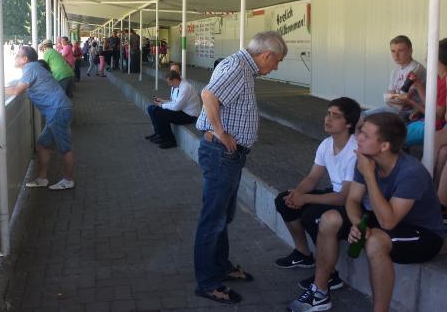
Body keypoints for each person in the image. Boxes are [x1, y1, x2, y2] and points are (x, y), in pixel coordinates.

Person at [288, 113, 445, 312]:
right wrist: (356, 223)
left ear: (385, 146)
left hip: (421, 234)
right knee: (329, 219)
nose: (358, 138)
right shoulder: (365, 159)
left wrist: (369, 175)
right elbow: (353, 200)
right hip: (385, 219)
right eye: (360, 132)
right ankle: (319, 292)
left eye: (365, 135)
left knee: (375, 241)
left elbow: (388, 223)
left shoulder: (410, 173)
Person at [193, 31, 287, 304]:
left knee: (222, 215)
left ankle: (220, 266)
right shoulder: (238, 67)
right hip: (222, 153)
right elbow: (208, 94)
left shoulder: (242, 67)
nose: (276, 67)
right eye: (277, 61)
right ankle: (207, 282)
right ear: (266, 55)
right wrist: (221, 132)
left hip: (227, 155)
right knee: (213, 219)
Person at [274, 97, 361, 293]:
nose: (328, 119)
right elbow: (313, 177)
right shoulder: (326, 144)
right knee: (283, 201)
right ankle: (303, 254)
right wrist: (296, 194)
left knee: (311, 214)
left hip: (352, 203)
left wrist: (306, 199)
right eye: (328, 113)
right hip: (335, 195)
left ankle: (330, 275)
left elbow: (345, 197)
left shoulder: (355, 150)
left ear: (348, 123)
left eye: (335, 116)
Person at [0, 46, 76, 190]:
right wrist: (1, 89)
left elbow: (18, 90)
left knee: (65, 148)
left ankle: (68, 180)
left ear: (25, 59)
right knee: (43, 144)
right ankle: (42, 179)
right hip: (57, 110)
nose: (15, 58)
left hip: (57, 110)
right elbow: (19, 86)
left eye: (18, 55)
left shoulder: (30, 68)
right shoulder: (33, 68)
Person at [365, 35, 426, 120]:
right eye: (393, 51)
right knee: (363, 115)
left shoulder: (416, 69)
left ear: (410, 51)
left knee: (371, 120)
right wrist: (392, 97)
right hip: (396, 109)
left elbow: (404, 99)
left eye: (400, 50)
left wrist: (390, 97)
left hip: (412, 112)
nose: (396, 55)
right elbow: (390, 97)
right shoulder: (395, 71)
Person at [145, 70, 201, 149]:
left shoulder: (185, 88)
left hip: (190, 116)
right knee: (151, 108)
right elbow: (174, 102)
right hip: (181, 110)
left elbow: (176, 107)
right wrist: (163, 101)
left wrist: (162, 105)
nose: (169, 85)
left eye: (169, 82)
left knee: (160, 113)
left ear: (175, 80)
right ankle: (159, 134)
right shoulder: (177, 85)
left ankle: (170, 141)